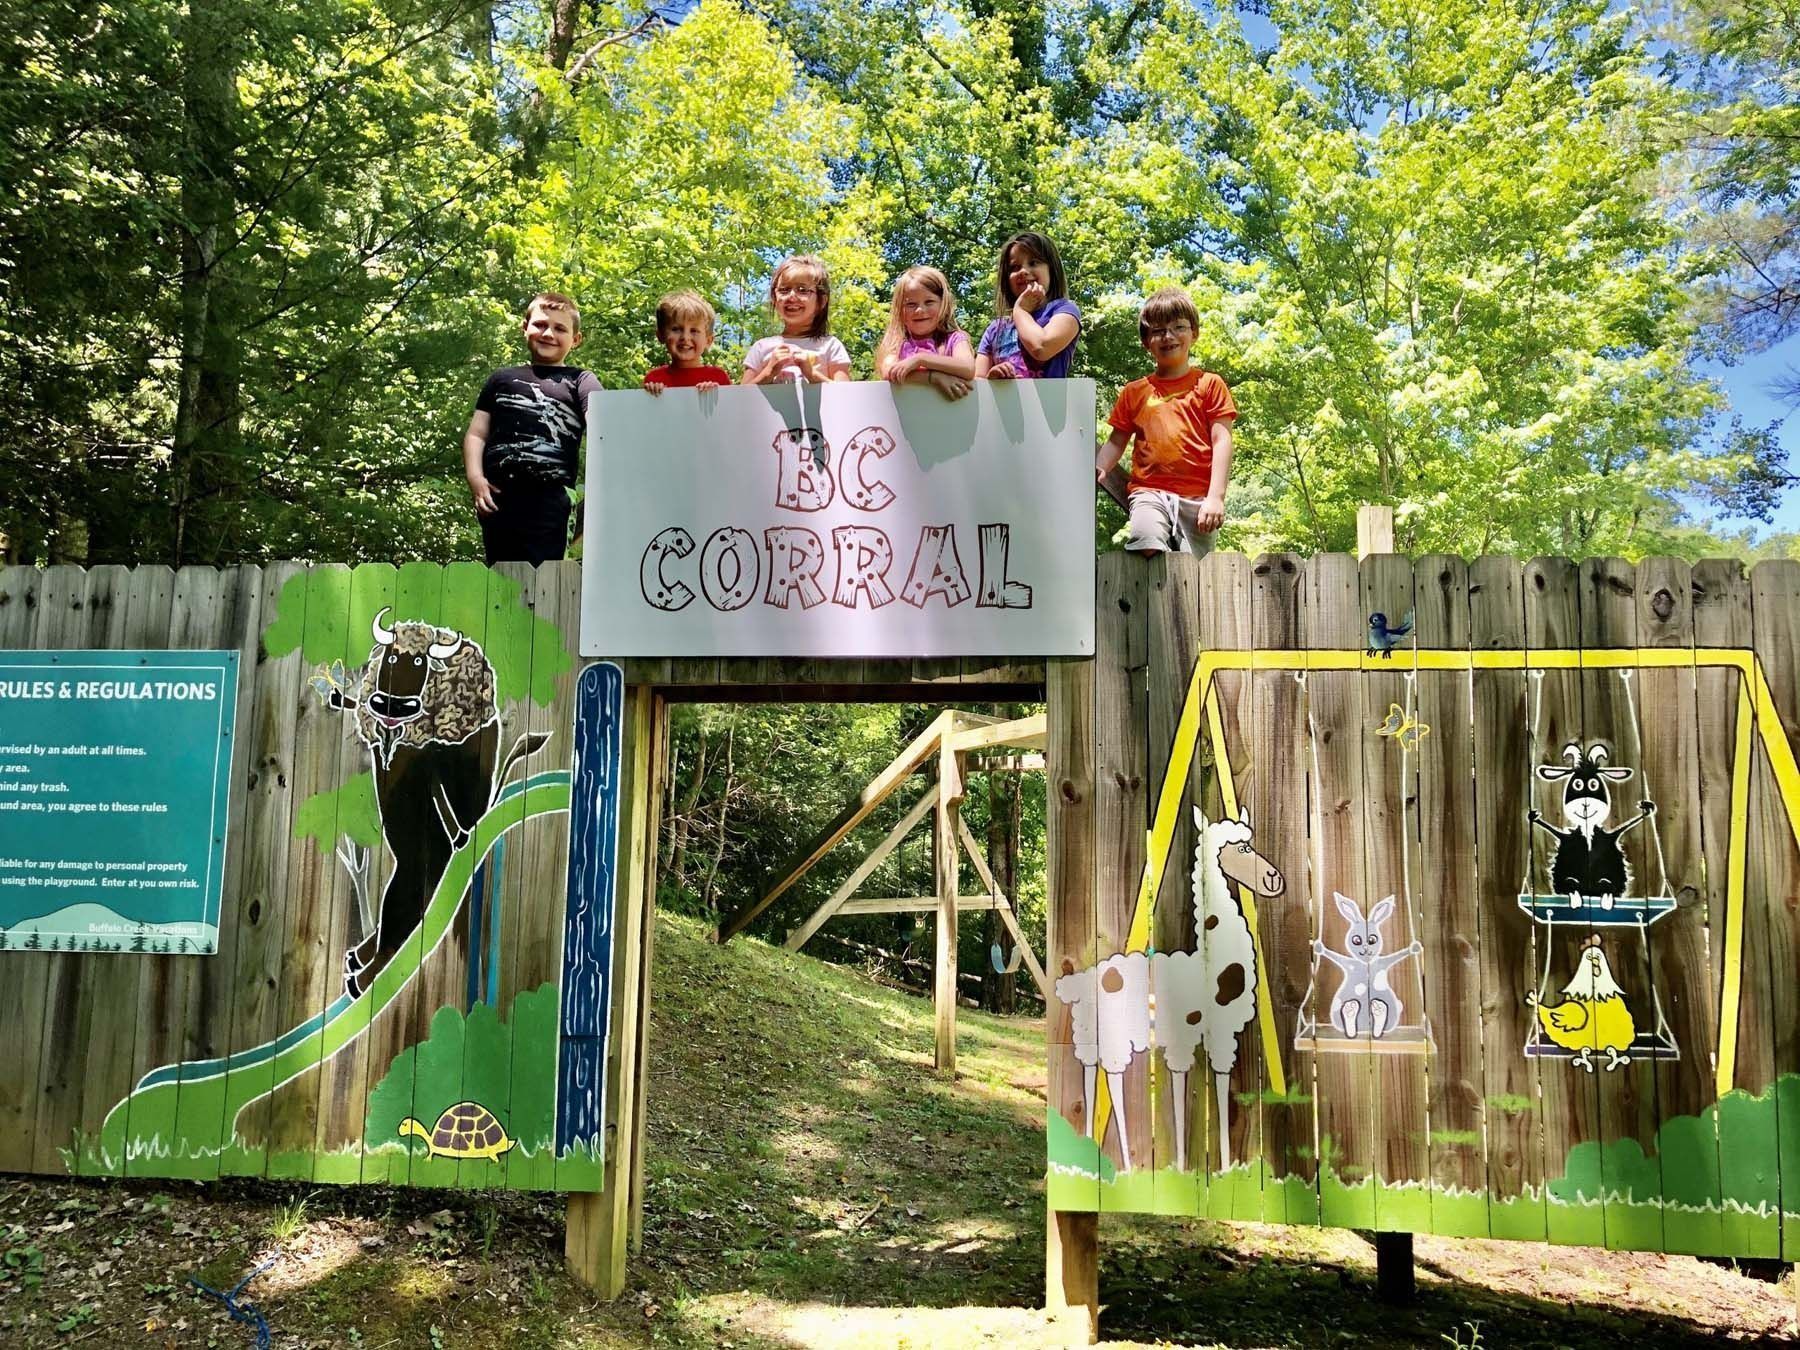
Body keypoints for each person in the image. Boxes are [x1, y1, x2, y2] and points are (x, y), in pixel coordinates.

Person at [1094, 286, 1237, 556]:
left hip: (1198, 499)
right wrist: (1098, 468)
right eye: (1158, 330)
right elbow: (1116, 441)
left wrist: (1216, 498)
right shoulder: (1135, 392)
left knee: (1194, 574)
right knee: (1146, 543)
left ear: (1194, 333)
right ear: (1146, 341)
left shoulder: (1210, 385)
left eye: (1178, 327)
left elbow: (1222, 440)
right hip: (1149, 492)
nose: (1168, 336)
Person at [463, 292, 600, 566]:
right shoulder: (501, 379)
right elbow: (476, 434)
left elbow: (604, 422)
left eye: (560, 328)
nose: (548, 333)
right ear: (524, 327)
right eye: (540, 325)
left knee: (544, 576)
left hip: (551, 498)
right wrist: (476, 478)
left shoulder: (579, 380)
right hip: (498, 497)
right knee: (502, 576)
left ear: (575, 339)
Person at [974, 231, 1080, 381]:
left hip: (1048, 404)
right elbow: (977, 380)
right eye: (1014, 267)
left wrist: (1021, 310)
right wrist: (992, 379)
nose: (1023, 271)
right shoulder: (995, 329)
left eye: (1034, 262)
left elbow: (1041, 348)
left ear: (1052, 270)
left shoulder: (1065, 311)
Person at [741, 255, 854, 385]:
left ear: (821, 301)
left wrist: (812, 374)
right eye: (784, 290)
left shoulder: (831, 346)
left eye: (803, 290)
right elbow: (742, 398)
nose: (792, 296)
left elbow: (844, 395)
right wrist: (768, 372)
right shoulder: (761, 347)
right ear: (774, 298)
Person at [874, 265, 975, 399]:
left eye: (929, 302)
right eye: (911, 304)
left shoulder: (954, 339)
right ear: (900, 310)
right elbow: (889, 371)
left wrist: (921, 359)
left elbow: (967, 368)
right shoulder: (897, 342)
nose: (920, 310)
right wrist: (933, 378)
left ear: (943, 305)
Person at [643, 290, 732, 393]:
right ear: (661, 336)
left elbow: (729, 408)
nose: (685, 337)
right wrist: (653, 395)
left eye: (694, 330)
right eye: (676, 329)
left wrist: (715, 394)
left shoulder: (718, 377)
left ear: (708, 340)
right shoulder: (654, 379)